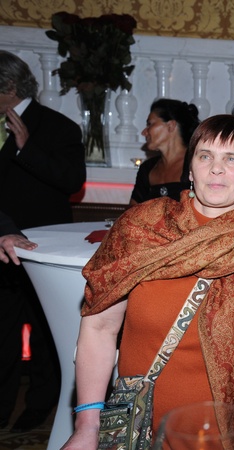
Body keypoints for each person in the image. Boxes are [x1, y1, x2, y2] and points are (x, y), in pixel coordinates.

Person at [61, 115, 234, 450]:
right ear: (191, 170)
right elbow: (99, 326)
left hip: (228, 438)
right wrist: (87, 425)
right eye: (205, 156)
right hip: (138, 433)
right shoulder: (141, 227)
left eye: (232, 159)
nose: (216, 169)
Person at [0, 50, 85, 431]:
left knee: (44, 332)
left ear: (9, 86)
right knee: (2, 329)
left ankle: (38, 406)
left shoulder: (59, 126)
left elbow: (72, 181)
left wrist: (26, 148)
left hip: (40, 249)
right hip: (0, 246)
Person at [130, 98, 200, 205]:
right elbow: (132, 211)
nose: (144, 132)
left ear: (171, 126)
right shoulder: (147, 168)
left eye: (150, 124)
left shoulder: (196, 164)